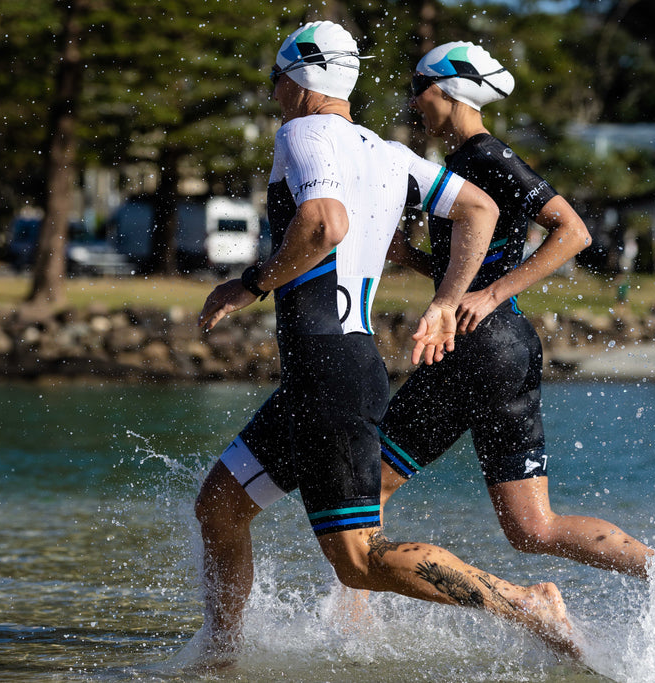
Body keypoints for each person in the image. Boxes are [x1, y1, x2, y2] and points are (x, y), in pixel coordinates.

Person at [194, 22, 580, 664]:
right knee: (221, 507)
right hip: (331, 371)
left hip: (330, 373)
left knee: (357, 560)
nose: (271, 93)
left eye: (274, 80)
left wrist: (252, 283)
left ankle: (524, 604)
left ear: (296, 79)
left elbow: (325, 221)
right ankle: (220, 656)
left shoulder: (303, 132)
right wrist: (447, 299)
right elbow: (478, 211)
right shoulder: (384, 151)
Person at [378, 42, 654, 579]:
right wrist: (411, 257)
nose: (414, 103)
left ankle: (351, 630)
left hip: (478, 344)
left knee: (367, 488)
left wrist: (493, 294)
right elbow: (468, 268)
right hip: (507, 349)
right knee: (532, 529)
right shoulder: (462, 162)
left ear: (448, 89)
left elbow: (573, 232)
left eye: (419, 89)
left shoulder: (485, 156)